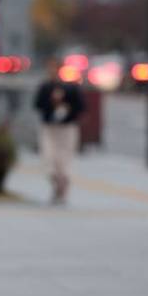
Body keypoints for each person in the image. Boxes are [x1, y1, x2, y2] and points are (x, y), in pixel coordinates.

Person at [34, 58, 85, 204]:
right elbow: (38, 104)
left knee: (65, 158)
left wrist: (68, 108)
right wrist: (51, 103)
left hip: (67, 128)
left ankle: (63, 186)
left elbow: (80, 107)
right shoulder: (45, 87)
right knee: (48, 157)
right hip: (49, 127)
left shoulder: (72, 88)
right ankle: (55, 182)